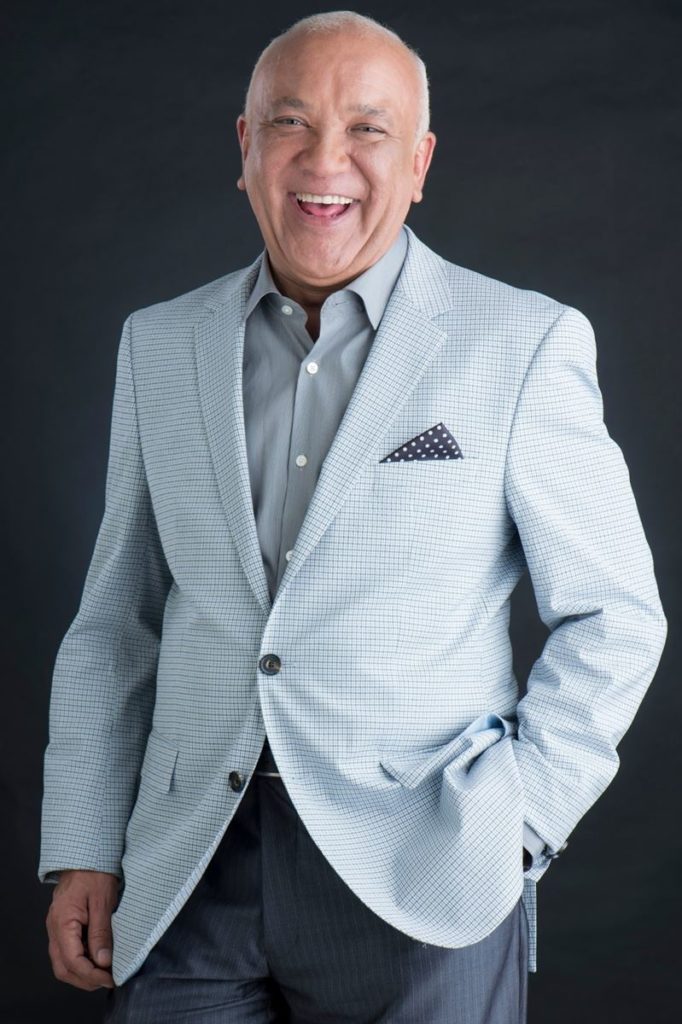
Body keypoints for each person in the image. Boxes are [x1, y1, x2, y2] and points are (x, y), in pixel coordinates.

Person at [39, 10, 667, 1023]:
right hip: (188, 865)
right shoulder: (158, 344)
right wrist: (82, 843)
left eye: (367, 129)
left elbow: (616, 616)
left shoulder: (523, 343)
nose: (323, 160)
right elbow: (117, 623)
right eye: (289, 123)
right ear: (245, 147)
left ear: (419, 163)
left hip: (425, 873)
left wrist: (513, 827)